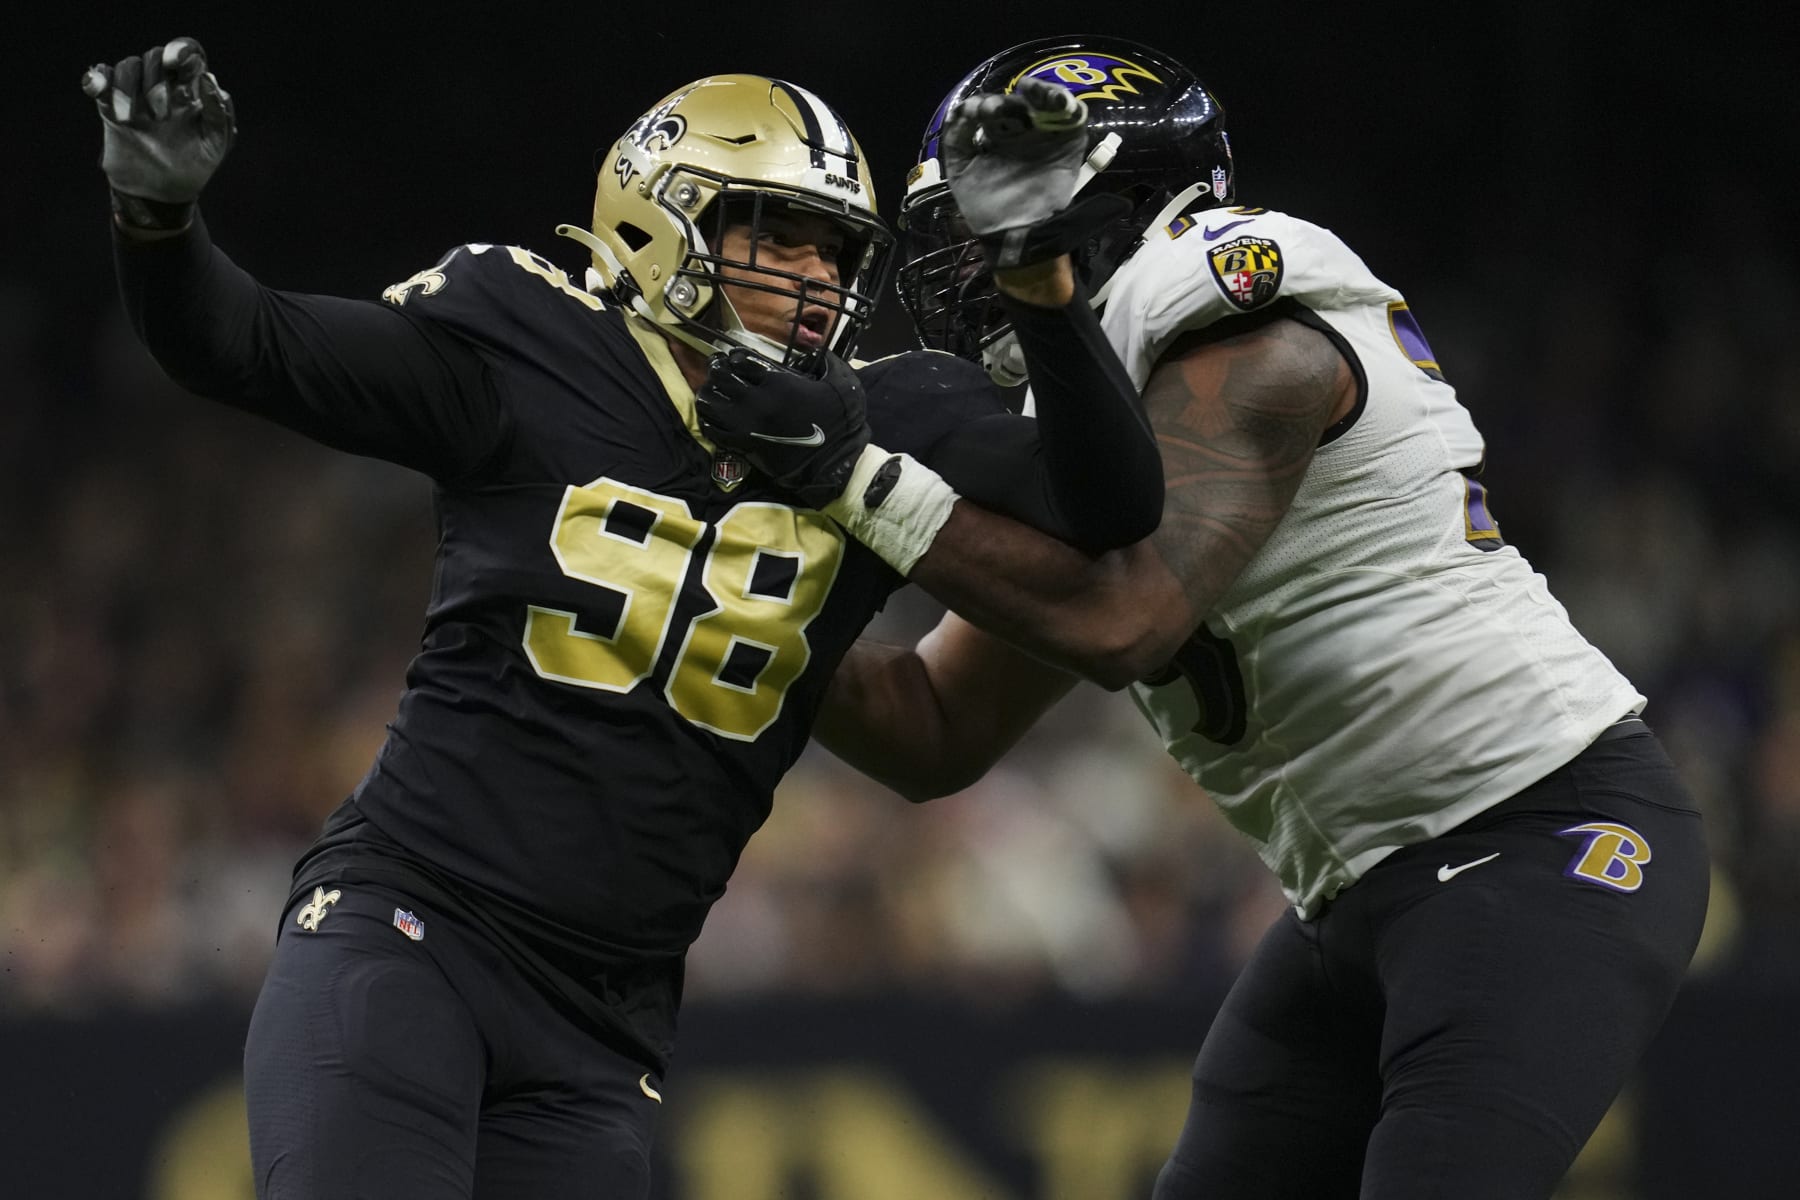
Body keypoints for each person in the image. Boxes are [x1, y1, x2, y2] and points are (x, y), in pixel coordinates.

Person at [81, 37, 1163, 1199]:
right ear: (663, 218)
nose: (817, 276)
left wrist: (1039, 280)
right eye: (778, 235)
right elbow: (240, 342)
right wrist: (158, 216)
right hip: (413, 927)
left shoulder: (886, 418)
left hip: (603, 1026)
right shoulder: (534, 345)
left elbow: (1114, 507)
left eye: (838, 250)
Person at [696, 34, 1712, 1200]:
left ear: (1106, 206)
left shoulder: (1253, 323)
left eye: (996, 226)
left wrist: (852, 482)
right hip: (1354, 893)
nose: (968, 269)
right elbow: (935, 724)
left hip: (1539, 834)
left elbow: (1126, 620)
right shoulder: (1103, 417)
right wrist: (720, 605)